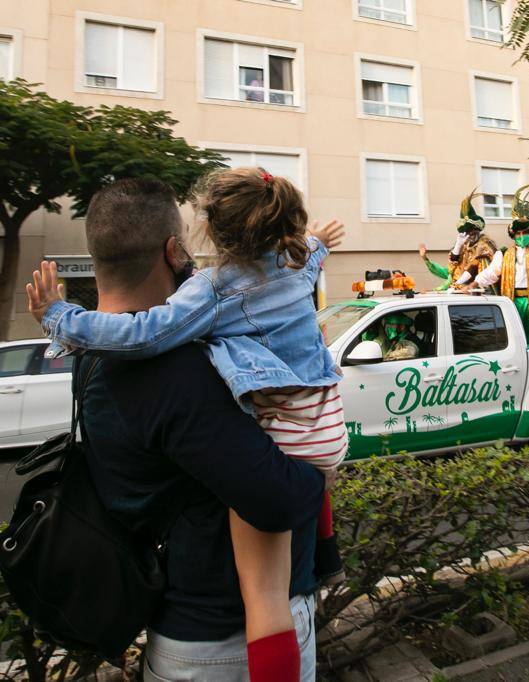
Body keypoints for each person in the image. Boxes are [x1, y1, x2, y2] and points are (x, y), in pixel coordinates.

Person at [28, 170, 347, 682]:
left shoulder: (91, 358)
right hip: (226, 646)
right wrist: (325, 476)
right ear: (175, 251)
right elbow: (280, 501)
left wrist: (61, 316)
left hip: (179, 626)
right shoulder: (176, 371)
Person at [471, 185, 529, 345]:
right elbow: (492, 273)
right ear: (513, 236)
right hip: (513, 302)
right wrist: (475, 283)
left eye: (525, 233)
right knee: (518, 342)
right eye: (518, 233)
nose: (522, 236)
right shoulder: (504, 253)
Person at [419, 191, 497, 291]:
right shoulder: (464, 246)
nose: (470, 234)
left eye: (472, 231)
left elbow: (474, 267)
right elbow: (449, 270)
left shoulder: (485, 245)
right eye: (467, 232)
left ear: (478, 229)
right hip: (458, 290)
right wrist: (458, 246)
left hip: (476, 291)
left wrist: (457, 284)